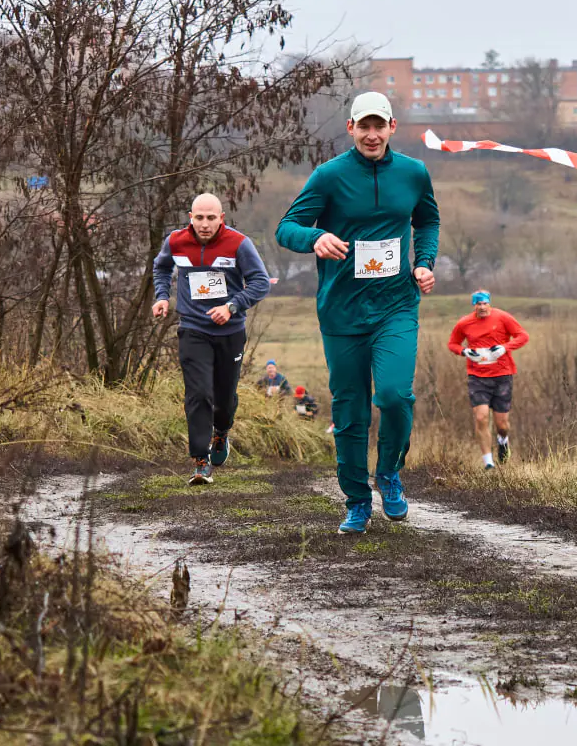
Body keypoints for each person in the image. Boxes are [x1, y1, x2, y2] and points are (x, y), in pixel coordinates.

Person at [276, 91, 439, 535]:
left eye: (378, 125)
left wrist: (424, 261)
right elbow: (285, 228)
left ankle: (388, 473)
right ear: (350, 128)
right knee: (350, 411)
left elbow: (427, 221)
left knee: (393, 395)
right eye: (362, 126)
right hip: (343, 312)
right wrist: (314, 238)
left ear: (392, 127)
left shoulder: (413, 172)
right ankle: (356, 501)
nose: (371, 134)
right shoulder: (329, 177)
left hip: (396, 306)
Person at [153, 193, 272, 486]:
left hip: (230, 332)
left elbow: (260, 282)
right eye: (199, 218)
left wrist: (232, 306)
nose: (205, 224)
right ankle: (200, 461)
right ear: (190, 218)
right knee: (199, 394)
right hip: (193, 328)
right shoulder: (176, 241)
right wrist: (162, 296)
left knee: (224, 398)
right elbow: (162, 267)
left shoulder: (239, 244)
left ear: (221, 219)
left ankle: (222, 432)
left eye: (211, 218)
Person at [447, 290, 529, 470]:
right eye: (478, 304)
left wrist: (504, 348)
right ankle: (488, 462)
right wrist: (465, 352)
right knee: (481, 417)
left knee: (502, 424)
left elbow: (523, 336)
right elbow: (452, 343)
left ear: (489, 303)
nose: (482, 307)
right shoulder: (465, 323)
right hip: (477, 377)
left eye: (485, 303)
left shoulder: (503, 317)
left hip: (502, 375)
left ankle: (503, 440)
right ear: (474, 306)